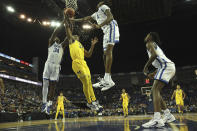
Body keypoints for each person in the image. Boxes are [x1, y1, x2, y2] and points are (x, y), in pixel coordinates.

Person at [71, 1, 120, 91]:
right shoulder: (96, 14)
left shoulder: (104, 7)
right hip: (106, 31)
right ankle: (108, 80)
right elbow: (85, 18)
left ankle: (107, 78)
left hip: (111, 28)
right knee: (104, 54)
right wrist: (73, 20)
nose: (98, 2)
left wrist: (99, 25)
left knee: (108, 52)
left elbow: (110, 17)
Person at [64, 15, 103, 111]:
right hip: (76, 63)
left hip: (84, 63)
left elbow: (89, 55)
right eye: (74, 35)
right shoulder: (71, 41)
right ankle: (89, 102)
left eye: (77, 35)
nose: (75, 35)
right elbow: (68, 31)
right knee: (85, 79)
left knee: (89, 82)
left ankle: (93, 101)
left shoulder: (80, 45)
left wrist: (92, 45)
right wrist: (67, 20)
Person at [142, 32, 176, 128]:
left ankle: (157, 119)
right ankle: (168, 115)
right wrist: (154, 72)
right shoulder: (154, 45)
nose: (146, 36)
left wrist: (145, 68)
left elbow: (154, 55)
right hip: (167, 67)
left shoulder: (149, 43)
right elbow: (160, 60)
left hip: (166, 67)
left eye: (147, 34)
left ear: (150, 37)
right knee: (154, 91)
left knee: (155, 90)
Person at [42, 22, 68, 114]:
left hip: (56, 66)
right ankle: (44, 103)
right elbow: (55, 32)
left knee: (53, 86)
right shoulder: (50, 43)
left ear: (59, 40)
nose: (56, 38)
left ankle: (49, 104)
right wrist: (62, 22)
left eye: (57, 38)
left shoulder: (61, 46)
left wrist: (69, 25)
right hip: (48, 64)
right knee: (45, 83)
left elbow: (67, 37)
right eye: (54, 38)